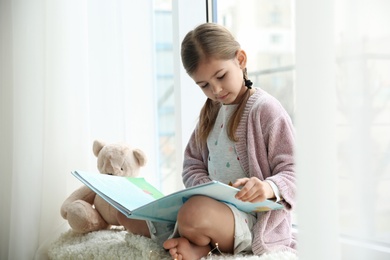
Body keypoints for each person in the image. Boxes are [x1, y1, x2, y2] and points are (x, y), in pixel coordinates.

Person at [118, 22, 296, 260]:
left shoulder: (266, 110)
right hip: (213, 211)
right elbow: (192, 164)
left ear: (240, 59)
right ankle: (196, 240)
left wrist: (267, 188)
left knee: (193, 213)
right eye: (204, 85)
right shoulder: (211, 111)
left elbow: (294, 170)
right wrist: (205, 189)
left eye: (221, 76)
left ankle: (198, 244)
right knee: (126, 214)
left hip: (252, 221)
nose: (216, 90)